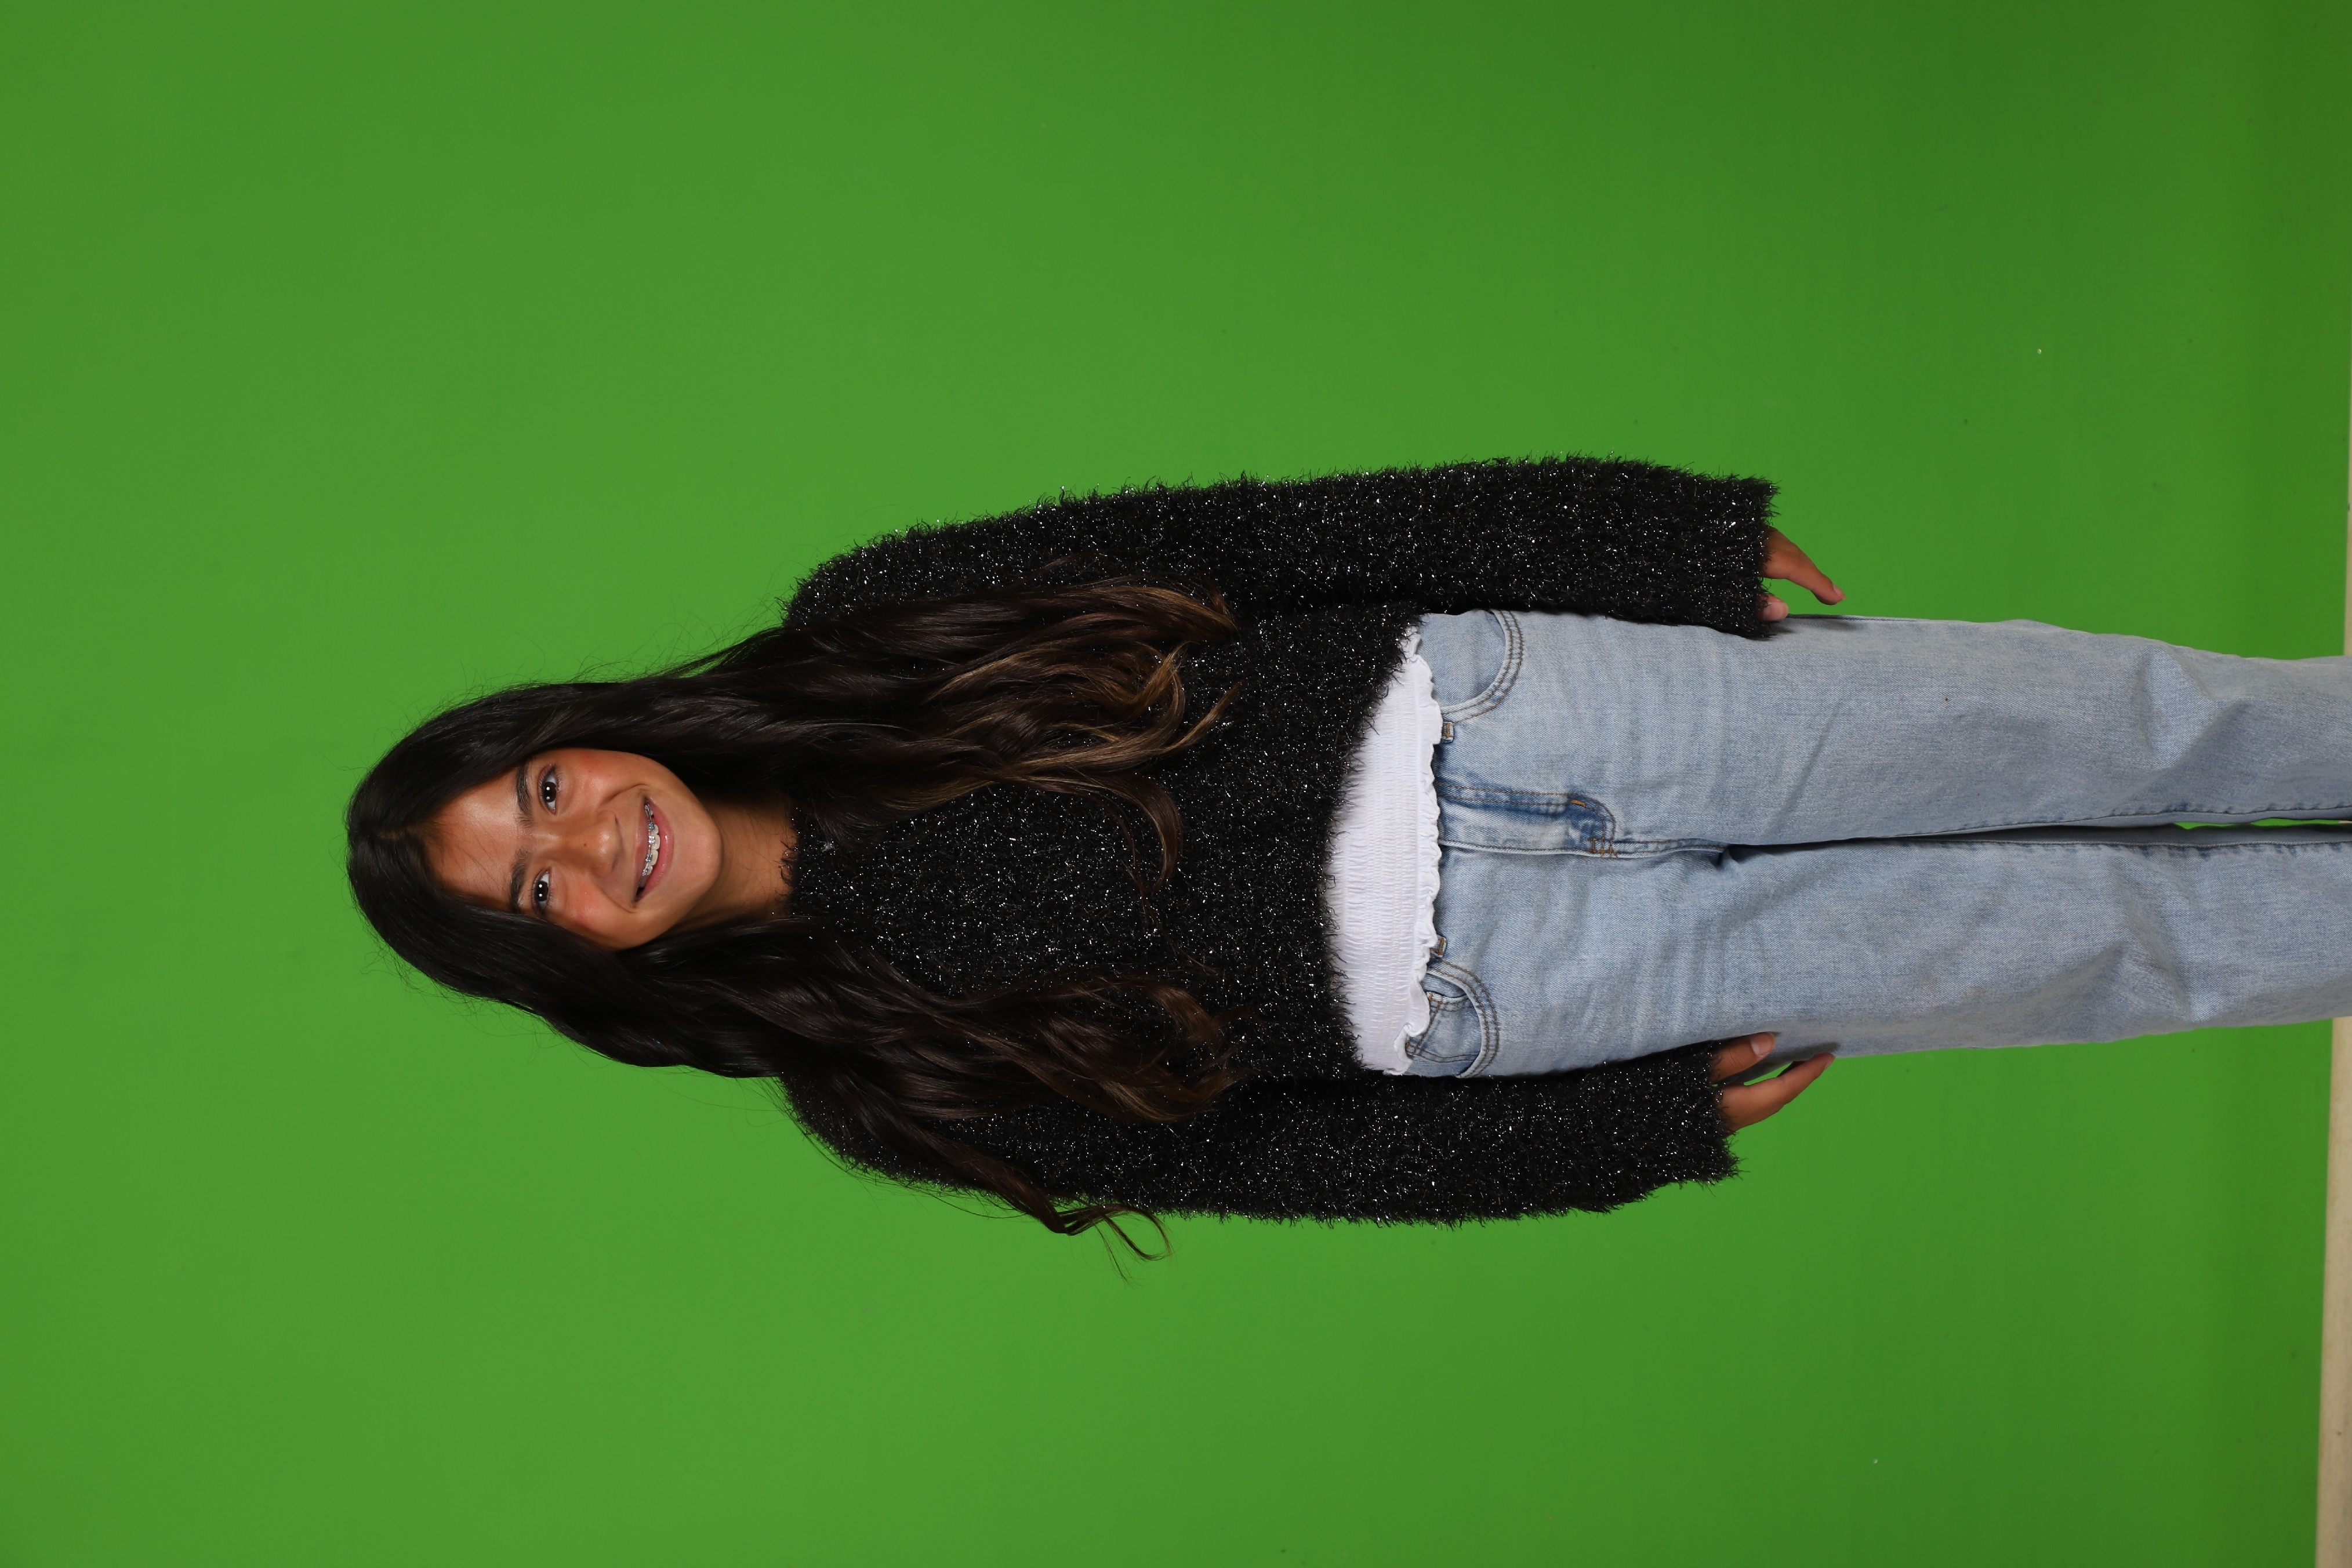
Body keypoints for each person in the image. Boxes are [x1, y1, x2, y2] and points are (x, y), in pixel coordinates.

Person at [347, 456, 2352, 1248]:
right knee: (2112, 943)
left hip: (1518, 712)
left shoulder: (867, 617)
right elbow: (1275, 1163)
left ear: (573, 733)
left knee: (2125, 727)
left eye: (542, 791)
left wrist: (1642, 539)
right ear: (569, 959)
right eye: (535, 888)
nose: (585, 842)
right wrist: (1618, 1130)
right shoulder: (877, 1089)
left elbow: (1253, 539)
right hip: (1522, 1001)